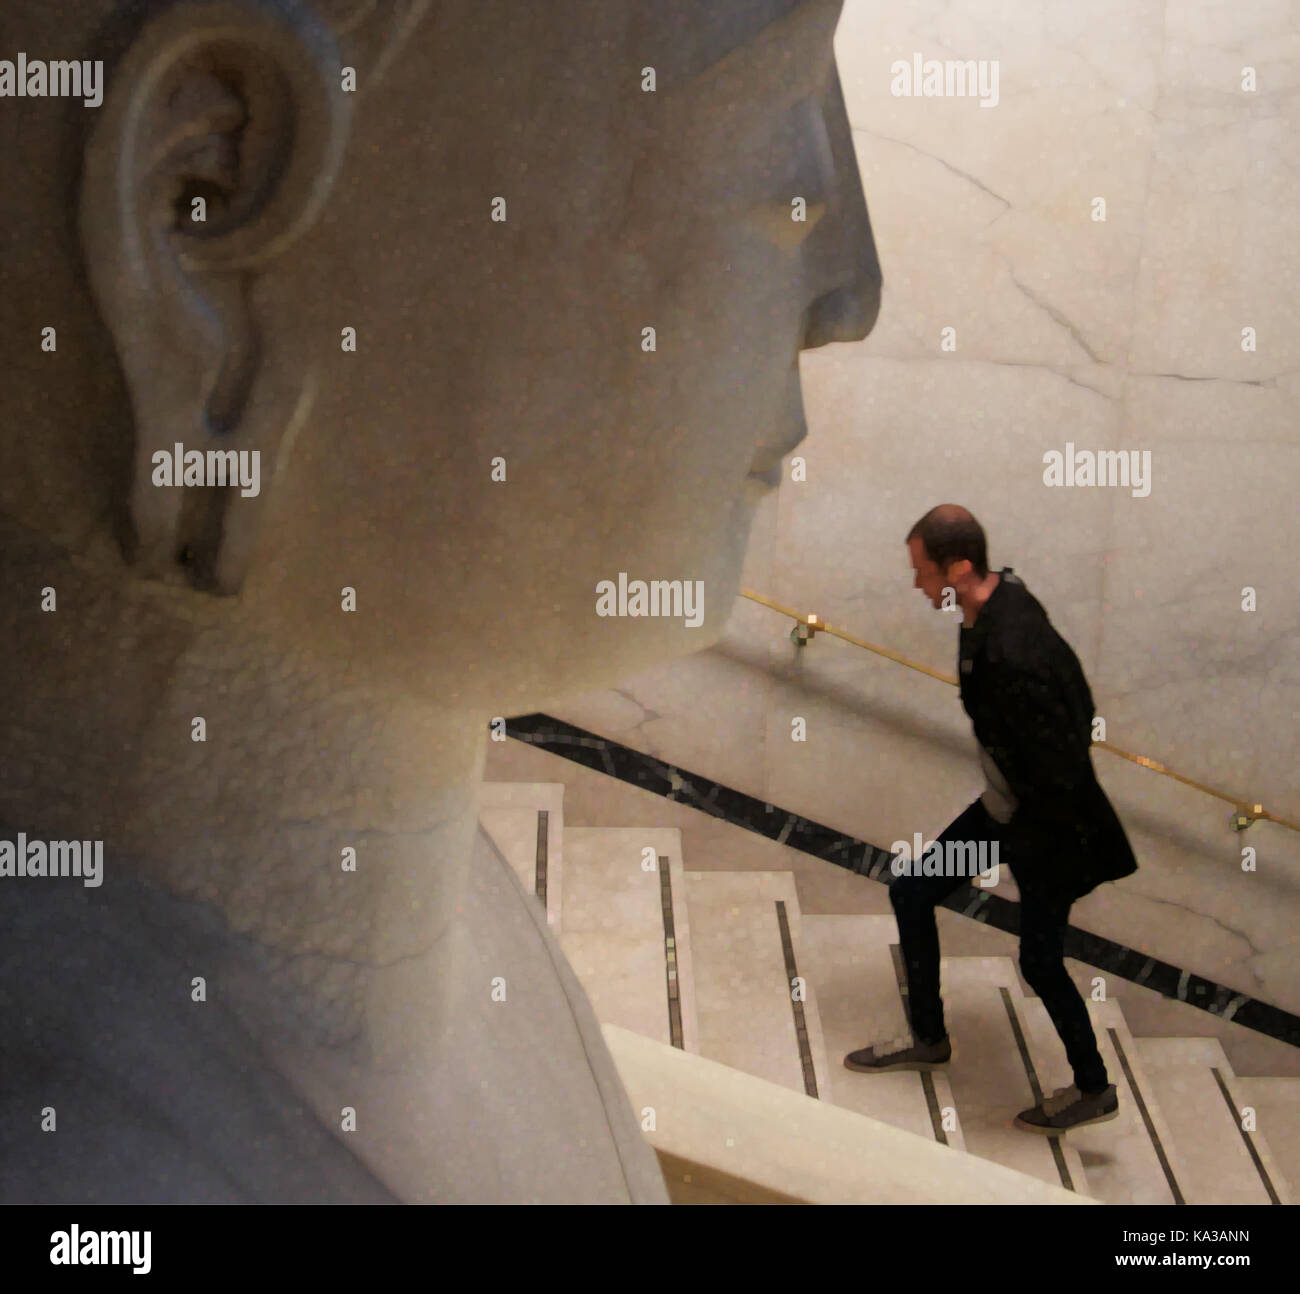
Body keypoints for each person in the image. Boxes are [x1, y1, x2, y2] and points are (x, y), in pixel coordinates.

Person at [0, 0, 881, 1202]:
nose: (851, 292)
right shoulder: (95, 1172)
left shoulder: (444, 916)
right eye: (779, 116)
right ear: (200, 211)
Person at [845, 505, 1138, 1134]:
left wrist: (1029, 849)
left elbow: (1065, 737)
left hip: (1048, 831)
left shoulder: (1015, 645)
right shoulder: (991, 609)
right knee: (914, 891)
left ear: (958, 567)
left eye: (923, 573)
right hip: (1008, 812)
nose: (917, 584)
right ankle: (928, 1037)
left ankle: (1094, 1088)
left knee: (1040, 961)